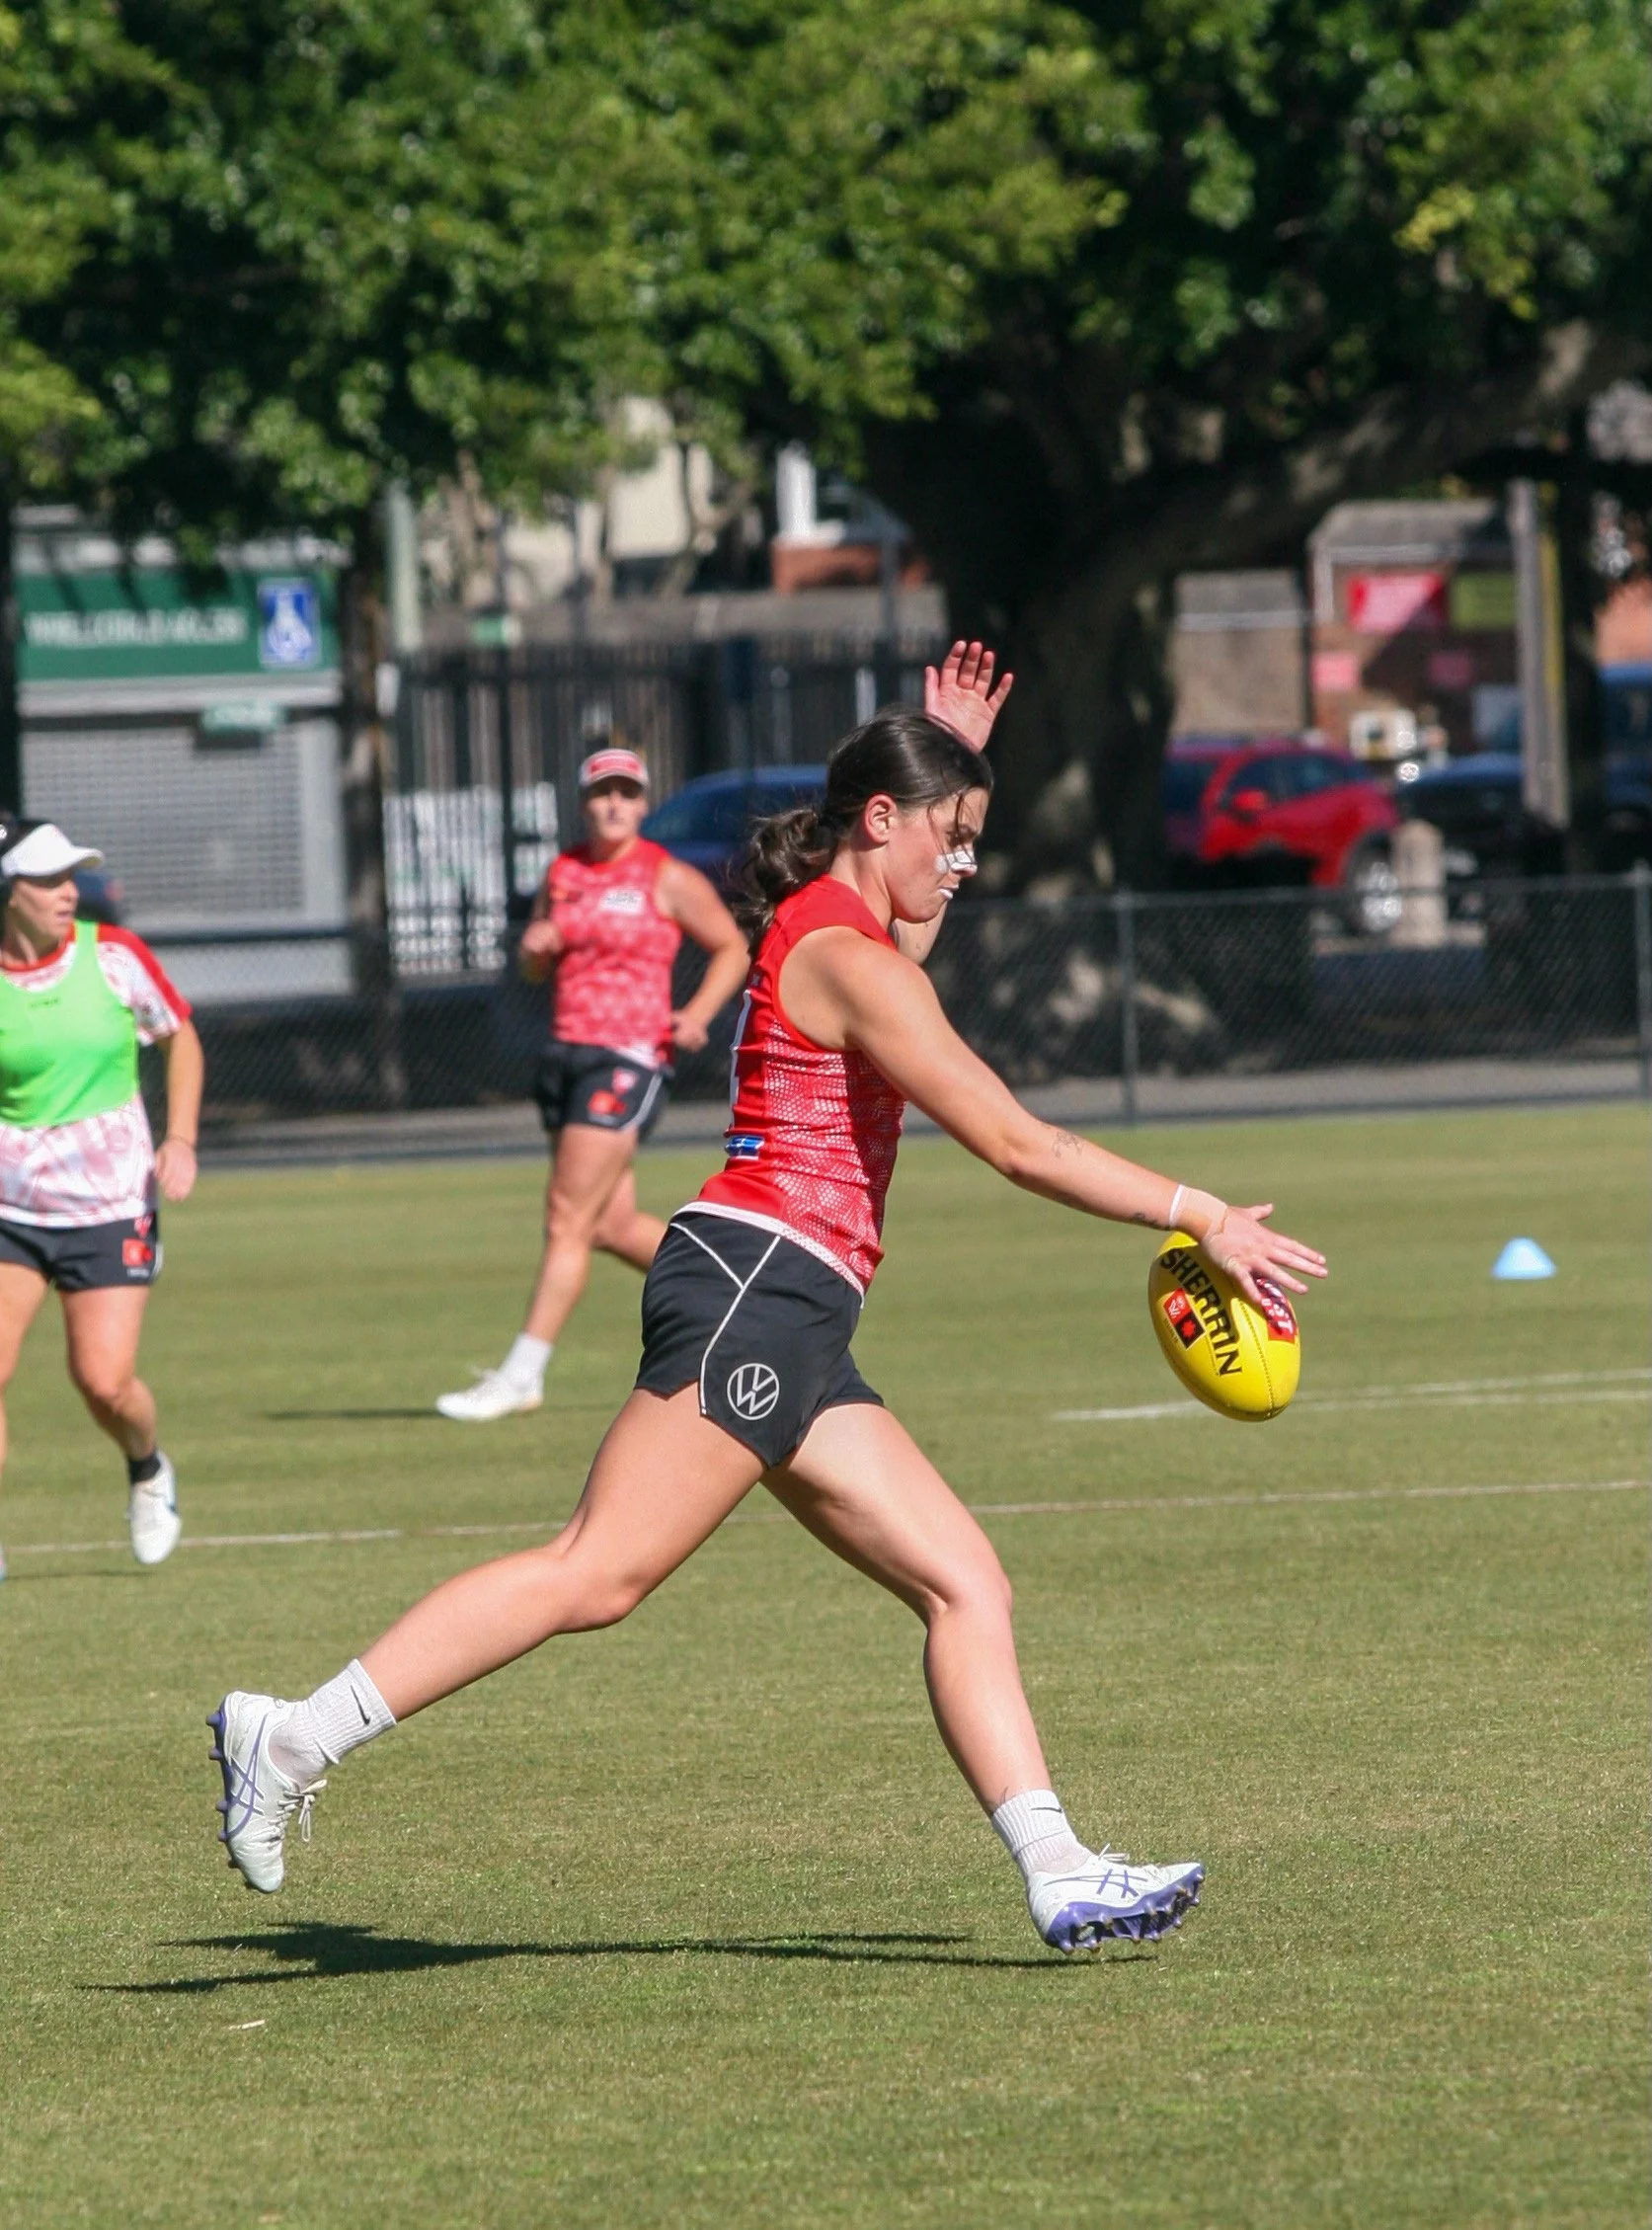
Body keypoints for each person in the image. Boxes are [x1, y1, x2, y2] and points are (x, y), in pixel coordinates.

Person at [210, 644, 1326, 1951]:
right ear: (879, 819)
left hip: (792, 1304)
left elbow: (908, 929)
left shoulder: (844, 933)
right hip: (757, 1285)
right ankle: (289, 1738)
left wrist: (957, 755)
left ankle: (1060, 1866)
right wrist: (1201, 1214)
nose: (963, 864)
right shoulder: (850, 961)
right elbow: (1018, 1142)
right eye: (952, 837)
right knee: (597, 1571)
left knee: (966, 1580)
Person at [436, 741, 748, 1421]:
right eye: (603, 792)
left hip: (627, 1057)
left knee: (565, 1219)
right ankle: (738, 1286)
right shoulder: (565, 871)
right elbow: (535, 971)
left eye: (627, 793)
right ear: (584, 803)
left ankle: (522, 1373)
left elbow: (731, 945)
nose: (615, 803)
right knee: (607, 1224)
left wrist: (695, 1014)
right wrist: (531, 954)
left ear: (641, 803)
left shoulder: (663, 875)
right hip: (567, 1055)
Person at [0, 821, 201, 1576]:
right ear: (6, 893)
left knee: (104, 1382)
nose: (67, 893)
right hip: (10, 1209)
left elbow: (180, 1036)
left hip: (110, 1204)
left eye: (71, 878)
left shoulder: (113, 955)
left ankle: (148, 1469)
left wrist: (179, 1139)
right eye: (48, 880)